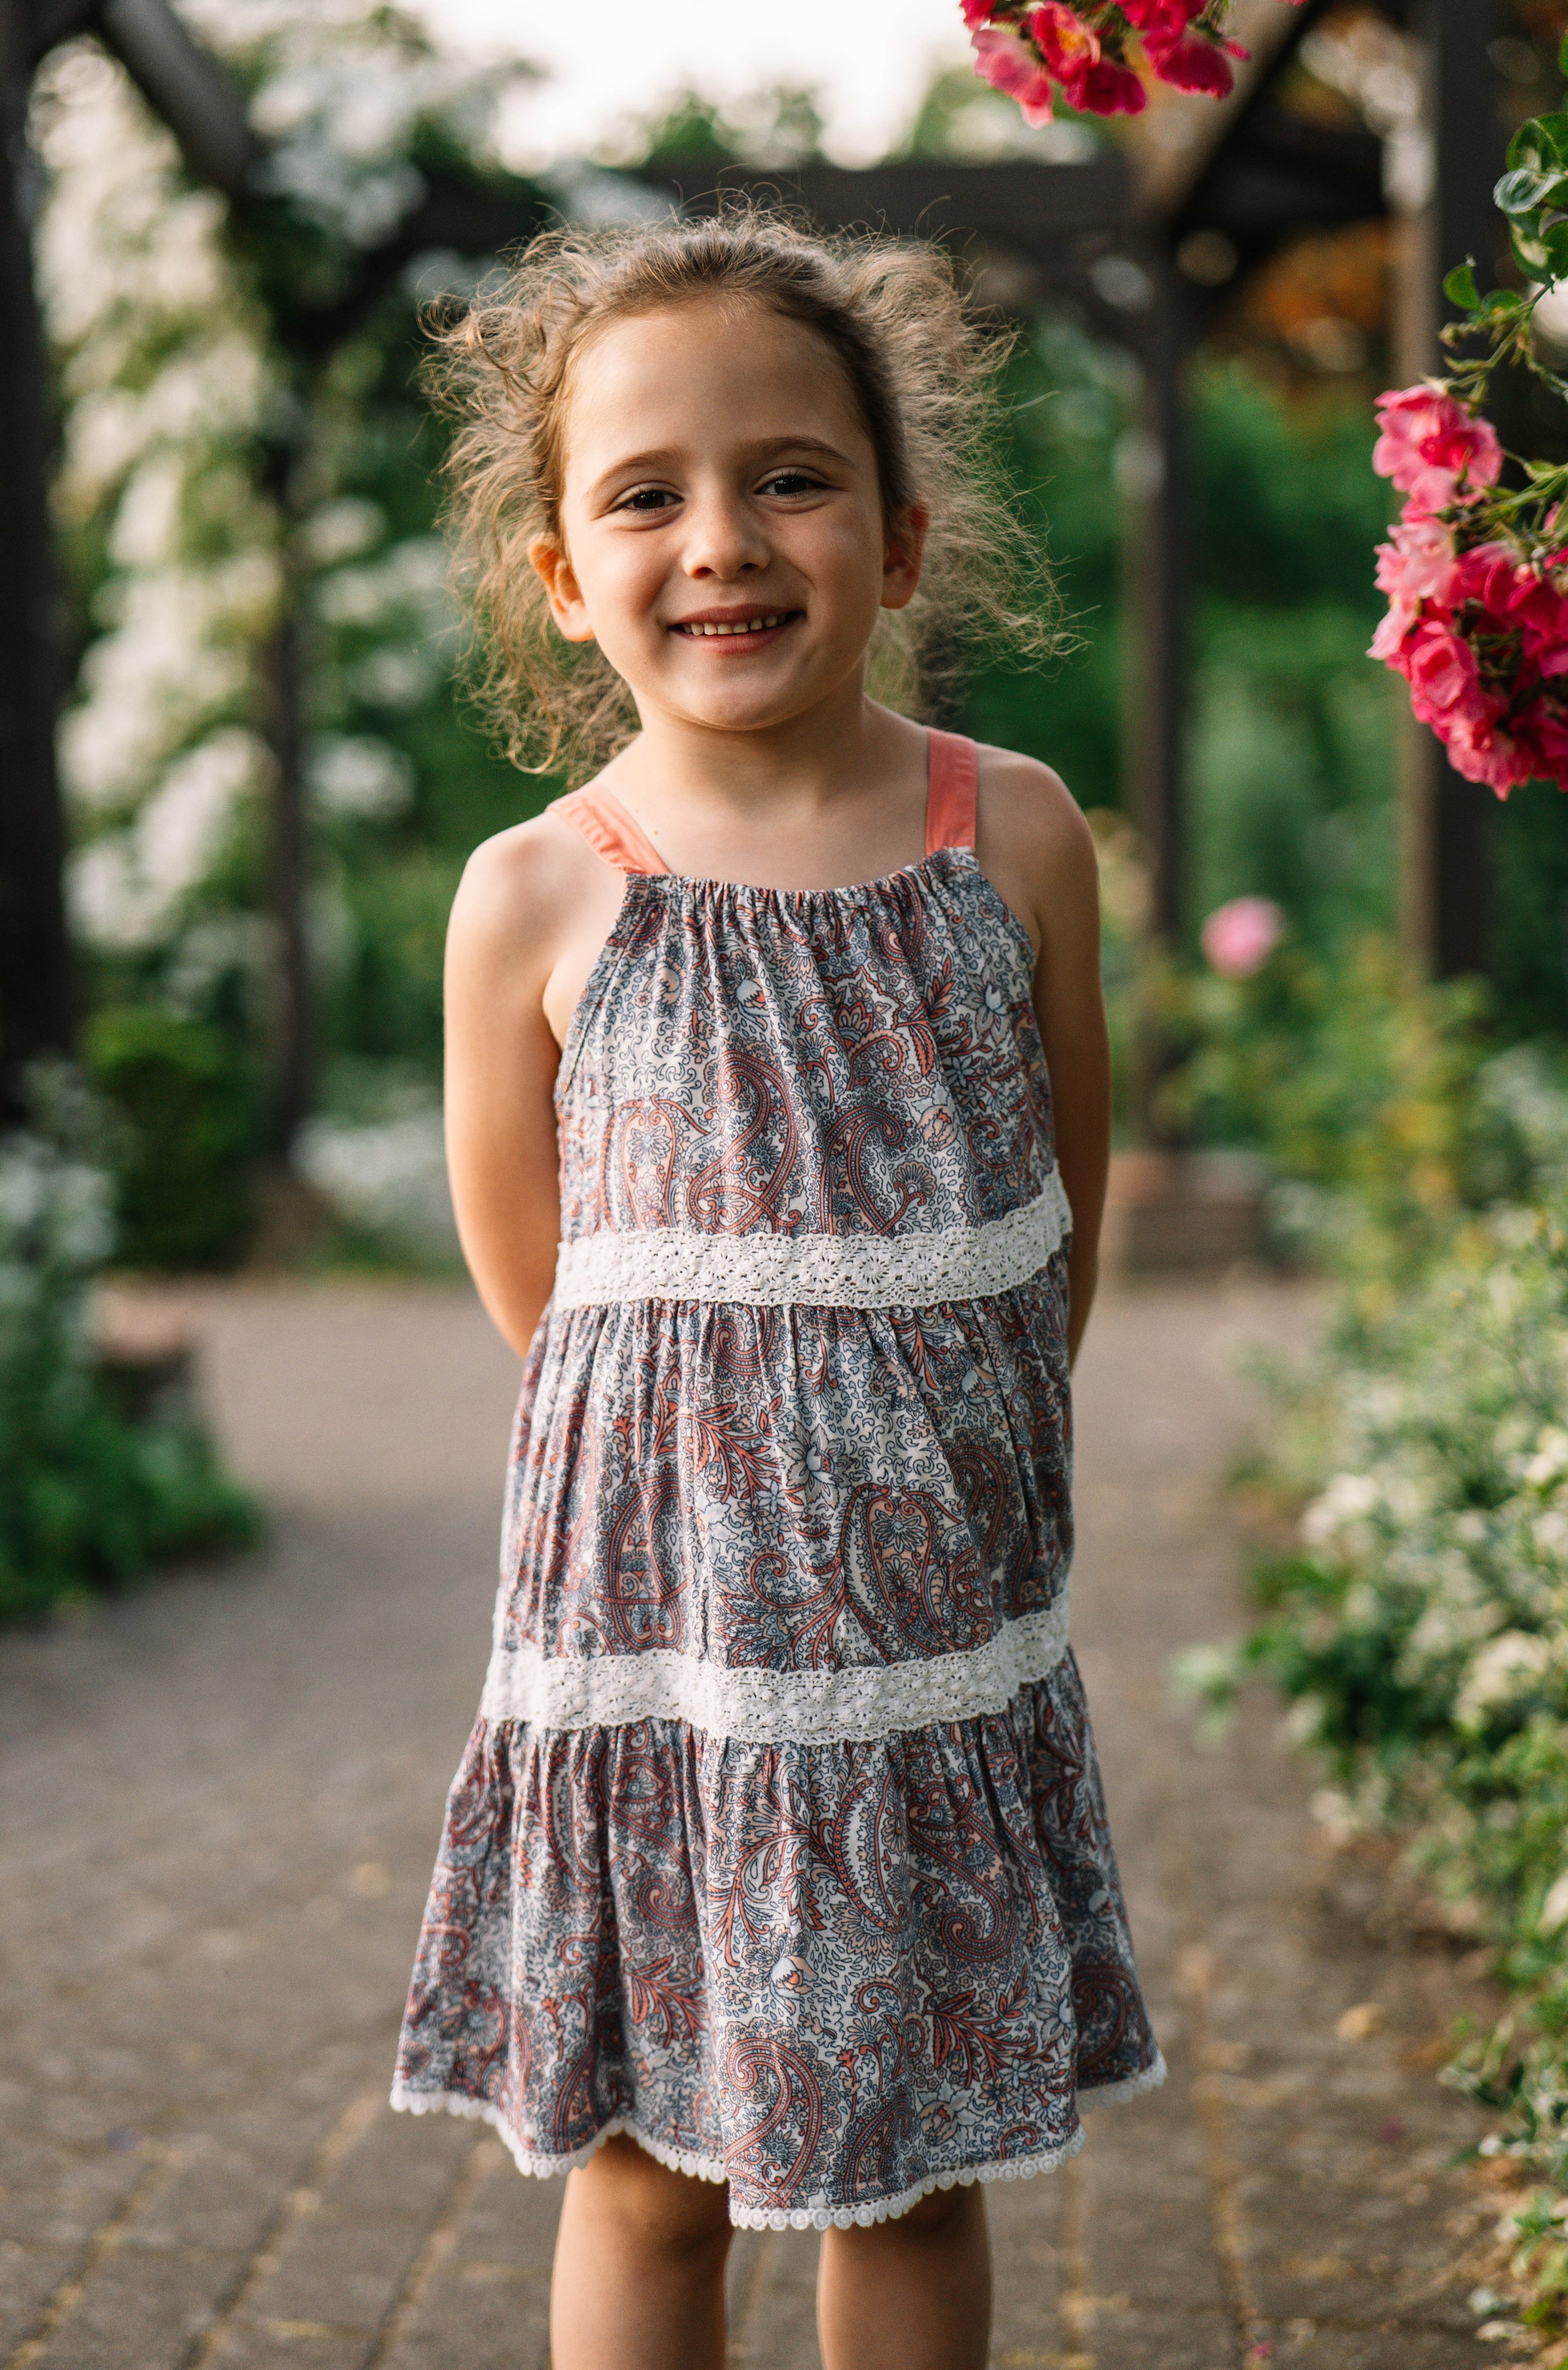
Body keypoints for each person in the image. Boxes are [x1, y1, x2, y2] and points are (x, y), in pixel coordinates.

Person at [391, 206, 1162, 2370]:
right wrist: (732, 1467)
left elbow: (1052, 1222)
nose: (723, 537)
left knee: (902, 2164)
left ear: (903, 541)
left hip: (924, 1642)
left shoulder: (1010, 837)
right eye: (647, 493)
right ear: (564, 573)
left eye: (792, 477)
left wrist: (911, 1475)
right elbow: (542, 1288)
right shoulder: (533, 893)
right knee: (652, 2175)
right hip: (661, 1648)